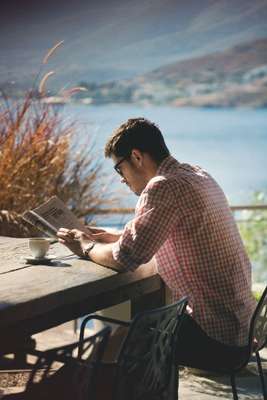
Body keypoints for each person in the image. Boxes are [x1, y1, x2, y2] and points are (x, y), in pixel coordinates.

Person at [57, 117, 256, 371]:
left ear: (137, 157)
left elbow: (125, 258)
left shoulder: (162, 187)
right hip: (241, 333)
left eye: (119, 168)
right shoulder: (198, 175)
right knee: (141, 326)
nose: (121, 178)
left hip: (218, 344)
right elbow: (168, 232)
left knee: (110, 345)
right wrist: (113, 236)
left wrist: (85, 246)